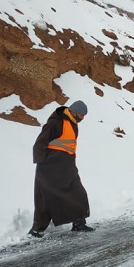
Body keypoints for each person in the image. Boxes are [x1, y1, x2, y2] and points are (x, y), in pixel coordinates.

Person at [28, 100, 94, 238]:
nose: (83, 118)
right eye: (81, 115)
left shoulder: (72, 124)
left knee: (78, 192)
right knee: (45, 197)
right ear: (73, 112)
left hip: (67, 166)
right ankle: (37, 229)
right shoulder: (55, 122)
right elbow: (40, 142)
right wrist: (42, 163)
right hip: (50, 166)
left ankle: (78, 223)